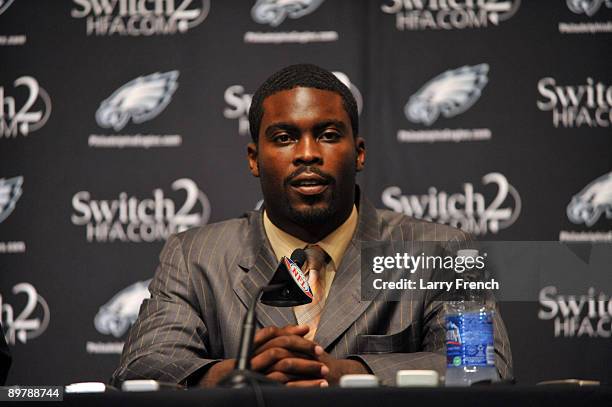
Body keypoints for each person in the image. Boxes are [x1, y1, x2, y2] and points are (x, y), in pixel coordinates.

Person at [111, 64, 512, 387]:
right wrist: (232, 375)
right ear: (254, 159)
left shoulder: (443, 250)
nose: (307, 154)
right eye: (284, 138)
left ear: (358, 153)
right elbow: (145, 363)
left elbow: (483, 364)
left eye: (328, 135)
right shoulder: (196, 256)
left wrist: (344, 373)